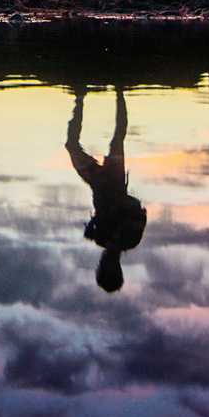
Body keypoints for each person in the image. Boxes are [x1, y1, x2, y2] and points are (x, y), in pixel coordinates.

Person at [66, 86, 147, 293]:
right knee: (118, 137)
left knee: (71, 146)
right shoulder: (131, 240)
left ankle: (80, 97)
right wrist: (120, 215)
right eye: (105, 267)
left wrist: (91, 229)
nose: (102, 263)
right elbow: (139, 210)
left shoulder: (101, 239)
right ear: (116, 268)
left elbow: (96, 219)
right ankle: (120, 92)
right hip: (115, 179)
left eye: (99, 266)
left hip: (96, 182)